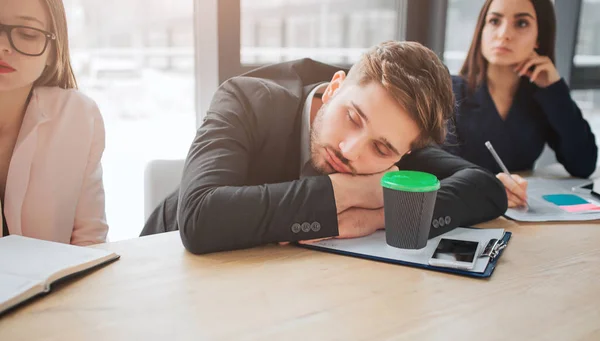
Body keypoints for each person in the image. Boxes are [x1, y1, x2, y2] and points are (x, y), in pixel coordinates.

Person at [142, 41, 508, 255]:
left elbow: (485, 187)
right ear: (335, 87)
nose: (351, 150)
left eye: (381, 150)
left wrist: (375, 217)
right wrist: (342, 191)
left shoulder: (395, 133)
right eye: (352, 117)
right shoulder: (244, 97)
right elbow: (200, 218)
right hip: (160, 265)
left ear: (401, 154)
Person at [444, 0, 598, 208]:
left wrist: (554, 89)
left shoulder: (543, 97)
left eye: (522, 23)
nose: (504, 34)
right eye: (494, 21)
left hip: (520, 213)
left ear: (539, 38)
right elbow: (440, 168)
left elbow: (583, 163)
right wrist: (488, 187)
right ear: (482, 29)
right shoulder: (451, 91)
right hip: (465, 212)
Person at [0, 0, 108, 245]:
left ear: (52, 51)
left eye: (27, 34)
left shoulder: (77, 116)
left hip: (59, 283)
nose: (2, 46)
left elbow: (90, 241)